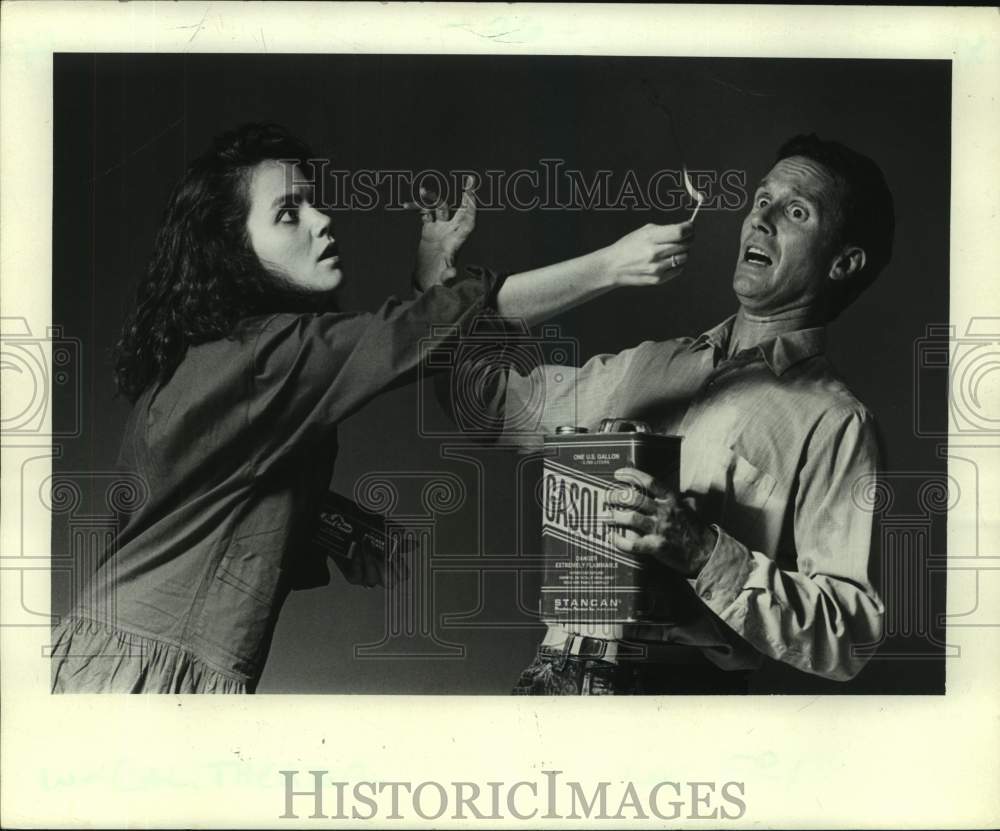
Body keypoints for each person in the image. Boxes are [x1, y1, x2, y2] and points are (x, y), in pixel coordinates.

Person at [50, 123, 694, 693]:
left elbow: (198, 500)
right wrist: (612, 264)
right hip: (150, 671)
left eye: (313, 202)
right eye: (288, 213)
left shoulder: (209, 358)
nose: (321, 221)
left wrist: (332, 528)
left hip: (112, 655)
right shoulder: (265, 356)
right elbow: (424, 330)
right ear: (231, 248)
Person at [470, 134, 893, 694]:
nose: (761, 219)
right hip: (549, 678)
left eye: (796, 211)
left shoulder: (835, 421)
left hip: (677, 696)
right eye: (761, 200)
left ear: (844, 262)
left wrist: (703, 550)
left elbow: (850, 636)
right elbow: (481, 403)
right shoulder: (647, 364)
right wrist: (603, 269)